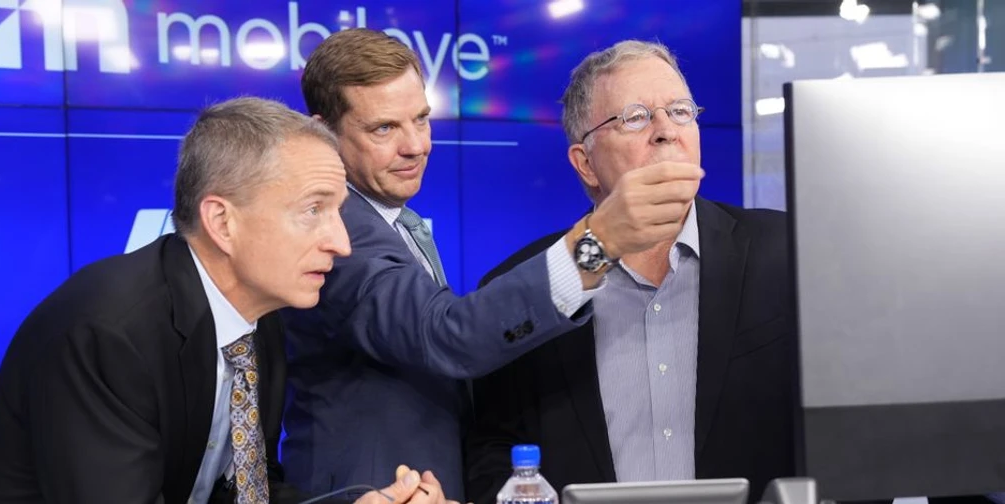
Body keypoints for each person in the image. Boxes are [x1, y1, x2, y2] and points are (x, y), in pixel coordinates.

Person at [0, 97, 452, 504]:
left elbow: (249, 490)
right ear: (222, 221)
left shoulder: (259, 316)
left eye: (338, 211)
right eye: (313, 210)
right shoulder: (108, 332)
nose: (341, 243)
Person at [279, 29, 705, 502]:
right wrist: (598, 243)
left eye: (421, 120)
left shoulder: (395, 222)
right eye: (384, 128)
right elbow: (446, 336)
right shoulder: (341, 232)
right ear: (324, 133)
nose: (415, 146)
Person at [464, 40, 797, 504]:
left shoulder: (787, 252)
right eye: (635, 117)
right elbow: (490, 457)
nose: (665, 131)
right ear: (586, 163)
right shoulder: (526, 287)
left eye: (681, 111)